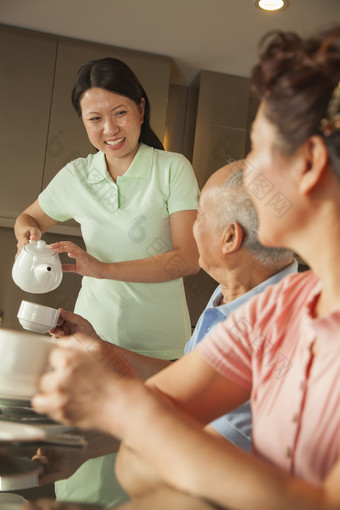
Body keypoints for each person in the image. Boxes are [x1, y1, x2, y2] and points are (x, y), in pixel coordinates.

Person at [29, 24, 340, 509]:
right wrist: (100, 365)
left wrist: (118, 407)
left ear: (310, 164)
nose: (247, 172)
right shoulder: (274, 307)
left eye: (259, 151)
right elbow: (172, 401)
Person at [29, 160, 295, 502]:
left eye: (199, 215)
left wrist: (105, 406)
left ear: (230, 238)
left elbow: (205, 453)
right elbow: (188, 391)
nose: (190, 228)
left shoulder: (273, 330)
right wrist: (100, 350)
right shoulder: (234, 295)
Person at [14, 57, 199, 506]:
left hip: (159, 349)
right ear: (83, 121)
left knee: (153, 470)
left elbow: (186, 259)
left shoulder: (171, 168)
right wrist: (28, 236)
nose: (109, 128)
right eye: (94, 118)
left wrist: (99, 268)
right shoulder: (78, 175)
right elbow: (30, 215)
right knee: (85, 476)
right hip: (90, 341)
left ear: (140, 109)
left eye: (119, 113)